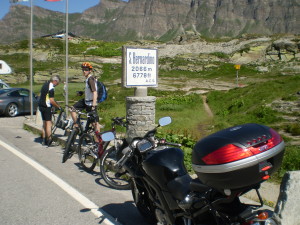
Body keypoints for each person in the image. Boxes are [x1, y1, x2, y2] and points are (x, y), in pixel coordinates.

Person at [71, 62, 100, 133]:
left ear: (90, 70)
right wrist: (82, 93)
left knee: (94, 124)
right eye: (83, 70)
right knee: (72, 109)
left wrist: (93, 106)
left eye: (86, 69)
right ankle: (77, 125)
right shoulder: (88, 79)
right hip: (86, 101)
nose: (84, 71)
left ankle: (99, 141)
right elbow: (90, 91)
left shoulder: (90, 79)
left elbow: (95, 92)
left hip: (90, 103)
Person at [38, 75, 62, 146]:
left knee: (44, 122)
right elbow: (51, 100)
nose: (57, 85)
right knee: (49, 123)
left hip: (41, 105)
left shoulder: (45, 84)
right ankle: (49, 140)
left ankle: (43, 139)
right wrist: (58, 107)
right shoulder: (51, 87)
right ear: (55, 81)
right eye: (57, 83)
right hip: (47, 106)